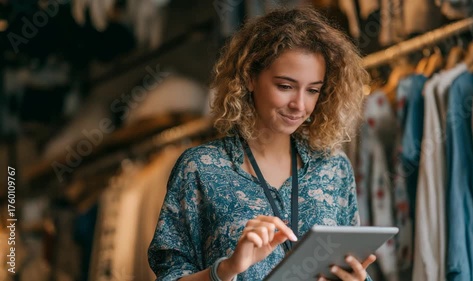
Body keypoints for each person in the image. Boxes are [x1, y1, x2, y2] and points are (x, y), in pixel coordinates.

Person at [148, 6, 376, 281]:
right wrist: (228, 268)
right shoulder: (201, 168)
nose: (300, 105)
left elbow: (347, 261)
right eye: (285, 86)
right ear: (249, 77)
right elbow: (169, 276)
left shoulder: (334, 167)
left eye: (313, 90)